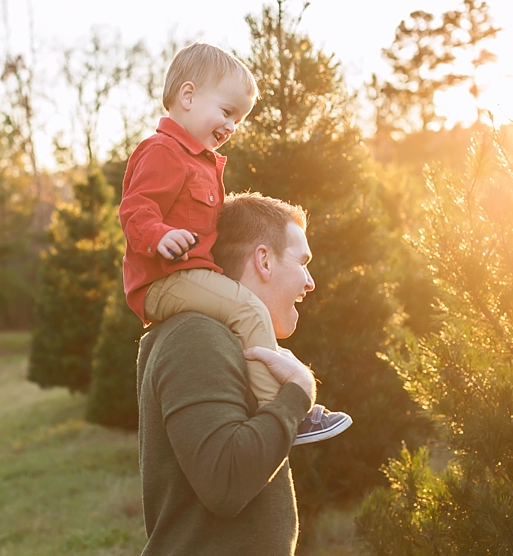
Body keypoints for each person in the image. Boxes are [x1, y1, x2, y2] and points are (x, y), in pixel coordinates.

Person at [120, 41, 350, 444]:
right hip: (163, 279)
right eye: (226, 112)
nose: (231, 127)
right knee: (249, 309)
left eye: (238, 120)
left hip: (187, 275)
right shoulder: (162, 151)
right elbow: (135, 210)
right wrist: (162, 236)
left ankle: (259, 397)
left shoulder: (200, 161)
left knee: (243, 311)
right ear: (187, 96)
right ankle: (279, 410)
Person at [137, 191, 327, 555]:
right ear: (264, 261)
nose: (310, 282)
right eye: (303, 262)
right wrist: (299, 391)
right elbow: (226, 483)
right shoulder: (197, 336)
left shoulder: (222, 339)